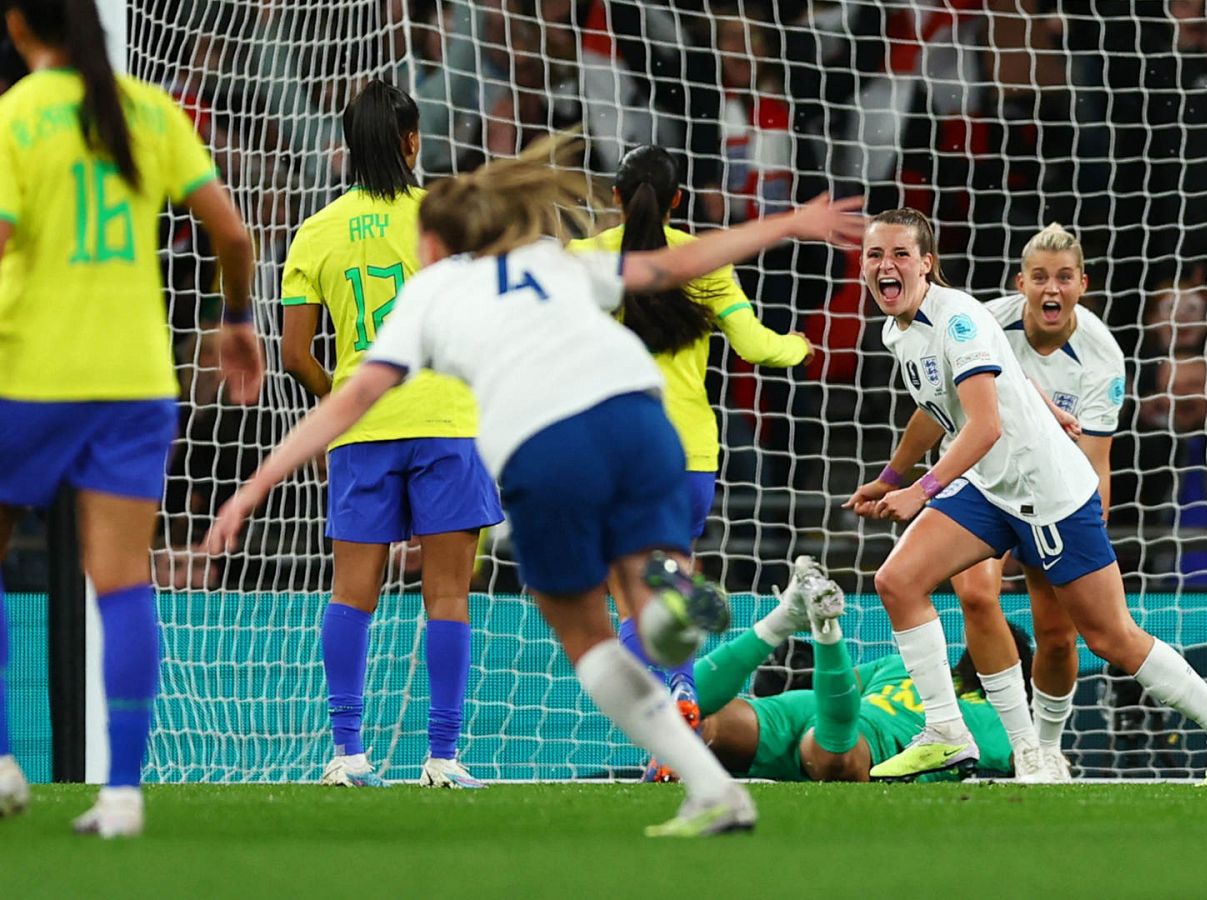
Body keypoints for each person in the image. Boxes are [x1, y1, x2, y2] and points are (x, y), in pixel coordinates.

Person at [204, 137, 865, 836]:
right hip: (646, 424)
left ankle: (692, 716)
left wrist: (255, 484)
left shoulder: (430, 292)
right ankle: (683, 652)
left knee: (588, 637)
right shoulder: (551, 260)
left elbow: (350, 398)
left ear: (431, 242)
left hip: (549, 445)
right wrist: (785, 225)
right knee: (647, 602)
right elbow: (675, 262)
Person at [845, 208, 1207, 785]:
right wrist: (891, 477)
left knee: (1108, 635)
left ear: (927, 264)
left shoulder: (960, 321)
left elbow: (985, 425)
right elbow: (933, 407)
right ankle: (946, 731)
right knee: (897, 581)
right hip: (992, 489)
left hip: (1046, 494)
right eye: (875, 255)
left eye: (900, 255)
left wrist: (922, 489)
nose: (885, 266)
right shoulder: (897, 329)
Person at [0, 0, 263, 837]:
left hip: (27, 370)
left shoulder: (17, 116)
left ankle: (4, 762)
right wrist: (234, 320)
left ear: (17, 27)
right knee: (121, 581)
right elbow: (232, 231)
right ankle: (122, 796)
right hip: (134, 378)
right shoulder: (149, 109)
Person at [278, 81, 503, 790]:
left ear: (348, 144)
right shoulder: (449, 219)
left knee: (351, 595)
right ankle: (441, 758)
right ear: (411, 142)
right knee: (447, 597)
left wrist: (339, 402)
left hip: (363, 429)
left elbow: (293, 352)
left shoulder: (316, 231)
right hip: (443, 422)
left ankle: (348, 755)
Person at [567, 145, 811, 754]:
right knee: (668, 586)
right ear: (679, 200)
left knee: (626, 599)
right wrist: (800, 347)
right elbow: (756, 347)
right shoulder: (704, 261)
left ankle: (670, 700)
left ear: (616, 197)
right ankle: (677, 706)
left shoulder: (579, 262)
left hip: (609, 453)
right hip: (689, 456)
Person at [946, 223, 1126, 780]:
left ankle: (1049, 749)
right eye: (1040, 278)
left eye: (1064, 278)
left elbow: (1095, 461)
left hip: (1051, 491)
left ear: (1082, 284)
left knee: (1057, 634)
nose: (1052, 290)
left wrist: (1089, 534)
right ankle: (1021, 742)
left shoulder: (1101, 358)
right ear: (1020, 282)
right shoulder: (984, 325)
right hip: (979, 475)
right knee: (976, 594)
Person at [697, 558, 1027, 782]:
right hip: (850, 743)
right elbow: (1025, 761)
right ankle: (826, 630)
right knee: (836, 761)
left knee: (691, 720)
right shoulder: (998, 723)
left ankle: (782, 620)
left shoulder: (909, 666)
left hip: (802, 710)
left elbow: (846, 685)